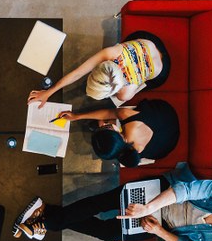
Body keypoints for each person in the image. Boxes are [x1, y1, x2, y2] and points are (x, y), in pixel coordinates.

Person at [13, 163, 212, 241]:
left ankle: (47, 215)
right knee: (103, 203)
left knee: (106, 231)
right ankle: (49, 220)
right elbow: (187, 190)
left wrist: (158, 229)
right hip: (161, 193)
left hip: (162, 224)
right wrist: (148, 207)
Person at [27, 31, 170, 108]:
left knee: (147, 84)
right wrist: (49, 92)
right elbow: (78, 73)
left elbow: (125, 93)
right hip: (147, 41)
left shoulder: (125, 94)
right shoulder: (111, 52)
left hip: (160, 69)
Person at [58, 98, 180, 167]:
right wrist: (76, 116)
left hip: (167, 142)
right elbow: (108, 113)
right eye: (107, 126)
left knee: (103, 119)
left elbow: (107, 117)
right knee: (107, 117)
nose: (105, 124)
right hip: (166, 115)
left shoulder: (132, 153)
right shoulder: (127, 117)